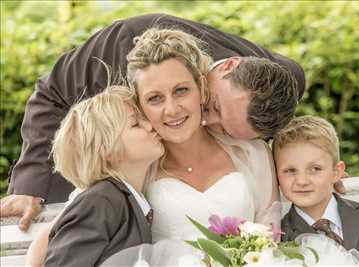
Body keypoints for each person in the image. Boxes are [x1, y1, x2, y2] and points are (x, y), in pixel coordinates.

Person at [1, 13, 306, 231]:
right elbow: (51, 93)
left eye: (227, 131)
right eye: (212, 106)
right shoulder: (121, 48)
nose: (206, 121)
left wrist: (303, 163)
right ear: (228, 65)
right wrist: (30, 186)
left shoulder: (282, 82)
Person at [26, 27, 281, 266]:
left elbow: (269, 241)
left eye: (181, 90)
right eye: (155, 98)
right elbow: (43, 250)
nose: (171, 110)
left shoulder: (251, 153)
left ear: (201, 88)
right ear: (140, 103)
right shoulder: (133, 165)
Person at [32, 85, 164, 266]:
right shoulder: (100, 201)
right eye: (135, 124)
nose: (149, 125)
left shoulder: (127, 198)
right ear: (106, 150)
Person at [274, 116, 359, 267]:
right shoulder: (279, 238)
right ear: (276, 176)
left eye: (315, 169)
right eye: (290, 170)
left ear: (336, 172)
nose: (302, 181)